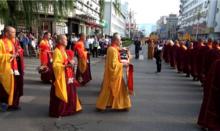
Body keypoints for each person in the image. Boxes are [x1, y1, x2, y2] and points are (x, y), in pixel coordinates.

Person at [96, 33, 131, 111]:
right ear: (115, 40)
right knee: (115, 89)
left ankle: (108, 104)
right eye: (120, 40)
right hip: (113, 74)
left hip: (114, 74)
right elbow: (113, 65)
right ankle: (121, 105)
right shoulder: (112, 50)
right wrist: (123, 64)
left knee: (111, 89)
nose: (121, 41)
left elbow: (116, 56)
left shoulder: (113, 48)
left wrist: (124, 50)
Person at [49, 34, 82, 117]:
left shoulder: (63, 50)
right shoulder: (57, 51)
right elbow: (56, 65)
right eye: (65, 39)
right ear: (60, 41)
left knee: (70, 92)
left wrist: (70, 62)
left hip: (67, 75)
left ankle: (70, 108)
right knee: (63, 93)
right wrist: (66, 65)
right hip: (61, 76)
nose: (67, 41)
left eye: (66, 39)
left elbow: (65, 61)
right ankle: (60, 111)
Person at [0, 26, 19, 111]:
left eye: (15, 32)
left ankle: (10, 104)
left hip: (12, 68)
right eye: (13, 32)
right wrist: (9, 56)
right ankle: (4, 105)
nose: (15, 34)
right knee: (4, 88)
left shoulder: (11, 42)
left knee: (13, 87)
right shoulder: (1, 42)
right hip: (4, 69)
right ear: (7, 33)